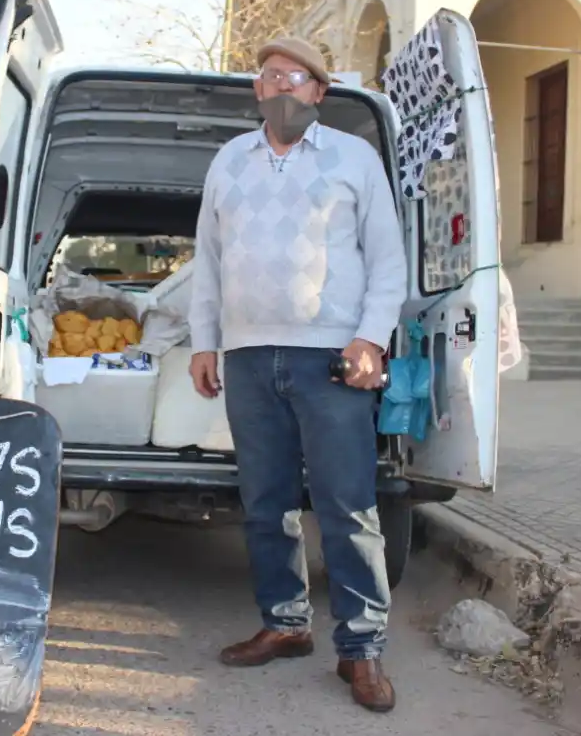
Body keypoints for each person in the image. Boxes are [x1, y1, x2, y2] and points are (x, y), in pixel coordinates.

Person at [187, 36, 408, 713]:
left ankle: (362, 649)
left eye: (298, 78)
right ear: (257, 90)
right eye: (271, 77)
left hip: (332, 357)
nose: (283, 88)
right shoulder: (229, 161)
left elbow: (387, 260)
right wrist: (205, 341)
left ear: (319, 91)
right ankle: (285, 623)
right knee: (265, 501)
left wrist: (371, 337)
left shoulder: (354, 158)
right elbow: (208, 259)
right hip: (249, 356)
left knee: (347, 503)